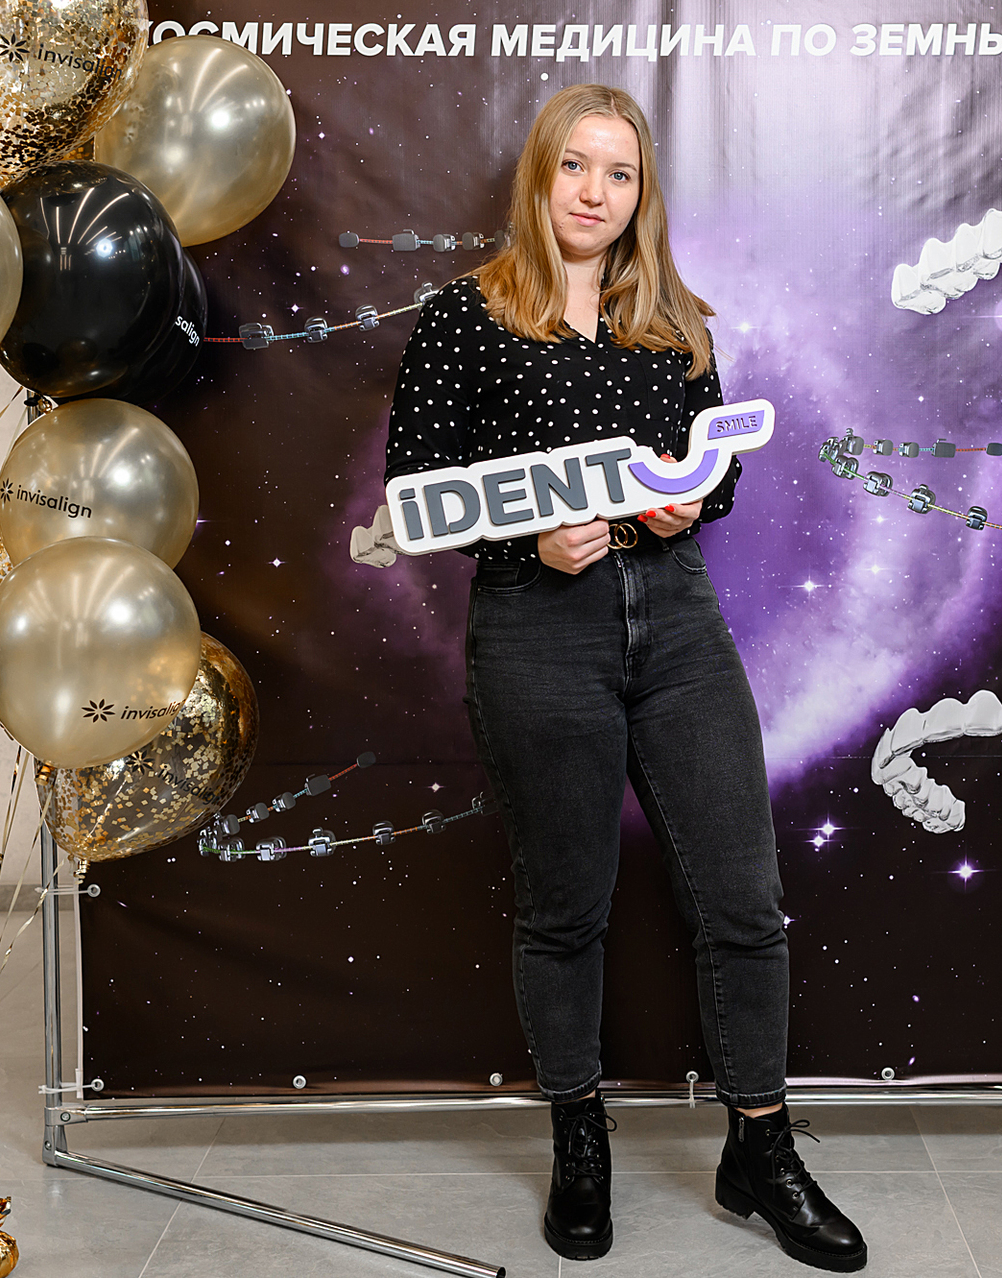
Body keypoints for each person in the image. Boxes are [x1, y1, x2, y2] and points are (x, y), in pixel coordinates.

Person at [384, 84, 865, 1272]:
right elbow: (414, 491)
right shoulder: (464, 317)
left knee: (744, 900)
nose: (595, 193)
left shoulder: (675, 321)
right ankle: (580, 1140)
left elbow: (718, 471)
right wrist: (527, 539)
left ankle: (762, 1150)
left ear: (643, 193)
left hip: (680, 624)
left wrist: (691, 500)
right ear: (539, 177)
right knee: (566, 910)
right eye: (575, 167)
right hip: (538, 632)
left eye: (620, 173)